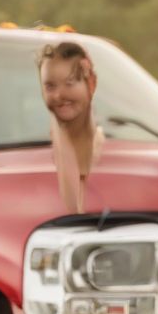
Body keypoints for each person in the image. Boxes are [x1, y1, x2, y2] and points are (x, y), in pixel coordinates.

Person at [37, 40, 105, 213]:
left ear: (92, 83)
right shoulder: (40, 152)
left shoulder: (107, 148)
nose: (59, 95)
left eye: (70, 83)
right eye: (50, 86)